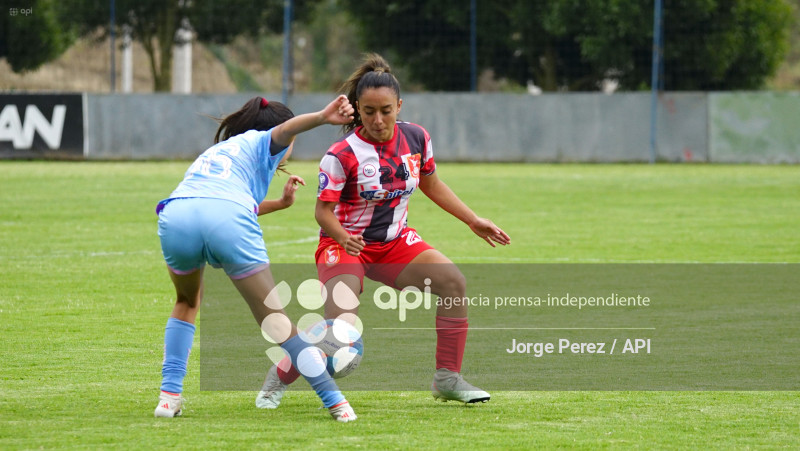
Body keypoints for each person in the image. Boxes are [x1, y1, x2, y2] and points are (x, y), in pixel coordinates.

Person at [256, 53, 510, 408]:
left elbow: (432, 184)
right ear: (357, 110)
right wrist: (343, 237)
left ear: (399, 106)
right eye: (369, 111)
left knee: (453, 283)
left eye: (386, 111)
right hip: (344, 246)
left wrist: (472, 219)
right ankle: (281, 373)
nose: (378, 120)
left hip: (394, 244)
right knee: (339, 337)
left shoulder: (417, 138)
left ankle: (447, 378)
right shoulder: (341, 154)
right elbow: (322, 212)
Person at [154, 95, 358, 422]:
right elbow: (284, 131)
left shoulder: (222, 151)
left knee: (187, 302)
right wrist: (322, 116)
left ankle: (168, 399)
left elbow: (221, 199)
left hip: (177, 214)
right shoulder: (262, 141)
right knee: (276, 321)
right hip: (226, 218)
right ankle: (336, 402)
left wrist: (279, 203)